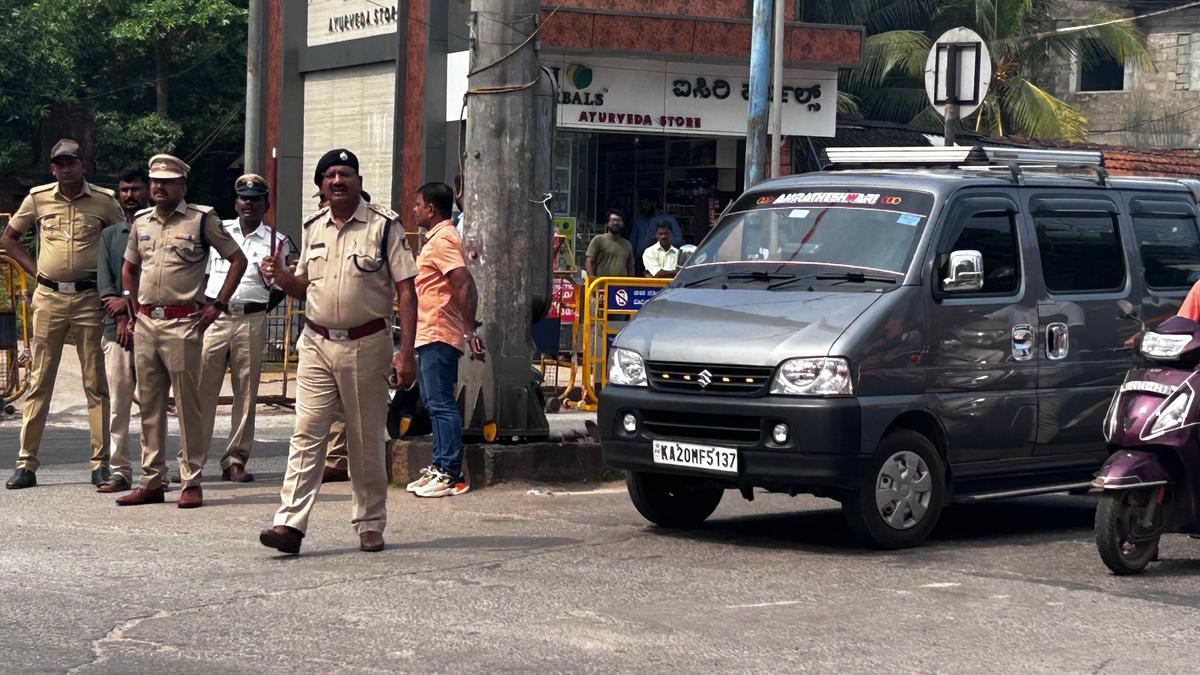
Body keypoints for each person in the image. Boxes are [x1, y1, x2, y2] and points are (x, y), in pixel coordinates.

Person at [258, 148, 417, 554]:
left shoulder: (384, 226)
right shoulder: (313, 227)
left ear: (359, 182)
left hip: (366, 344)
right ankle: (289, 524)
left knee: (364, 439)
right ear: (321, 186)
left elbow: (406, 290)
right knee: (306, 433)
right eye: (329, 175)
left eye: (345, 174)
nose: (337, 181)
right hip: (315, 342)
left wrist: (407, 353)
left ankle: (369, 522)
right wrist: (279, 277)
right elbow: (301, 286)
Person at [115, 154, 248, 508]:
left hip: (183, 323)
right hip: (146, 322)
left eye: (167, 181)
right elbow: (129, 267)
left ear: (182, 186)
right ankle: (152, 479)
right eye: (155, 181)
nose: (158, 187)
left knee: (188, 406)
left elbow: (238, 260)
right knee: (149, 406)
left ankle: (191, 479)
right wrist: (131, 303)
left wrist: (217, 304)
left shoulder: (202, 218)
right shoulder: (142, 221)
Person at [2, 138, 123, 490]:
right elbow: (9, 238)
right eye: (59, 163)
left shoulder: (104, 201)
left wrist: (114, 291)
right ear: (52, 168)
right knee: (39, 381)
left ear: (82, 164)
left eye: (71, 162)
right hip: (50, 298)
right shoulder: (38, 198)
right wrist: (34, 272)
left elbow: (122, 242)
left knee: (95, 384)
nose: (66, 168)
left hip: (90, 298)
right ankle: (26, 463)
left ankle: (100, 463)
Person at [196, 174, 295, 484]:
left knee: (246, 392)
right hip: (215, 317)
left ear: (266, 203)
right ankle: (192, 459)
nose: (249, 203)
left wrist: (265, 296)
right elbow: (202, 274)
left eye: (255, 198)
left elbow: (283, 284)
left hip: (251, 319)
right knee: (201, 391)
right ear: (235, 202)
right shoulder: (219, 231)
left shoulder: (276, 240)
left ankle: (235, 458)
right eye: (244, 198)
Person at [406, 182, 485, 498]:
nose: (413, 211)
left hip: (440, 331)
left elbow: (463, 281)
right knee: (433, 402)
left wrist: (469, 330)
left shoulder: (443, 241)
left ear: (430, 209)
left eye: (417, 206)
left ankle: (451, 473)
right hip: (430, 330)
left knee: (440, 403)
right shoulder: (436, 240)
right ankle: (440, 466)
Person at [95, 167, 149, 493]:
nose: (130, 195)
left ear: (148, 190)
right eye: (125, 189)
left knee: (152, 404)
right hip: (115, 330)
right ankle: (120, 470)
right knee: (119, 404)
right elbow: (105, 284)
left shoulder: (158, 231)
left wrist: (134, 314)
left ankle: (153, 470)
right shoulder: (110, 234)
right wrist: (120, 318)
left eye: (136, 189)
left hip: (153, 326)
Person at [630, 196, 681, 272]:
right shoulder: (639, 220)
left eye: (646, 204)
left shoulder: (668, 219)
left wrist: (662, 241)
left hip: (662, 257)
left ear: (654, 203)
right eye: (642, 205)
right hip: (640, 259)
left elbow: (679, 239)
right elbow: (633, 241)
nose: (644, 207)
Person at [585, 209, 634, 279]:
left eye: (619, 220)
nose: (615, 223)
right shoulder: (598, 240)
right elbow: (589, 262)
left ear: (623, 224)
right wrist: (592, 281)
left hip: (621, 288)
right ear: (608, 223)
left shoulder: (627, 244)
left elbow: (630, 268)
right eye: (612, 220)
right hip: (602, 286)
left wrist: (630, 285)